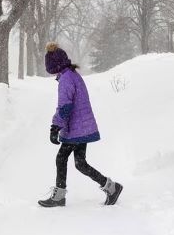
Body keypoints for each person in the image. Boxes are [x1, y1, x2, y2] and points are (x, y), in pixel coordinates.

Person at [38, 42, 123, 208]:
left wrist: (55, 127)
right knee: (80, 163)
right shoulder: (72, 74)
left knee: (61, 158)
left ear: (53, 66)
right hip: (80, 128)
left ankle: (59, 197)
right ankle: (112, 188)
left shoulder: (66, 79)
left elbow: (65, 106)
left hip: (76, 129)